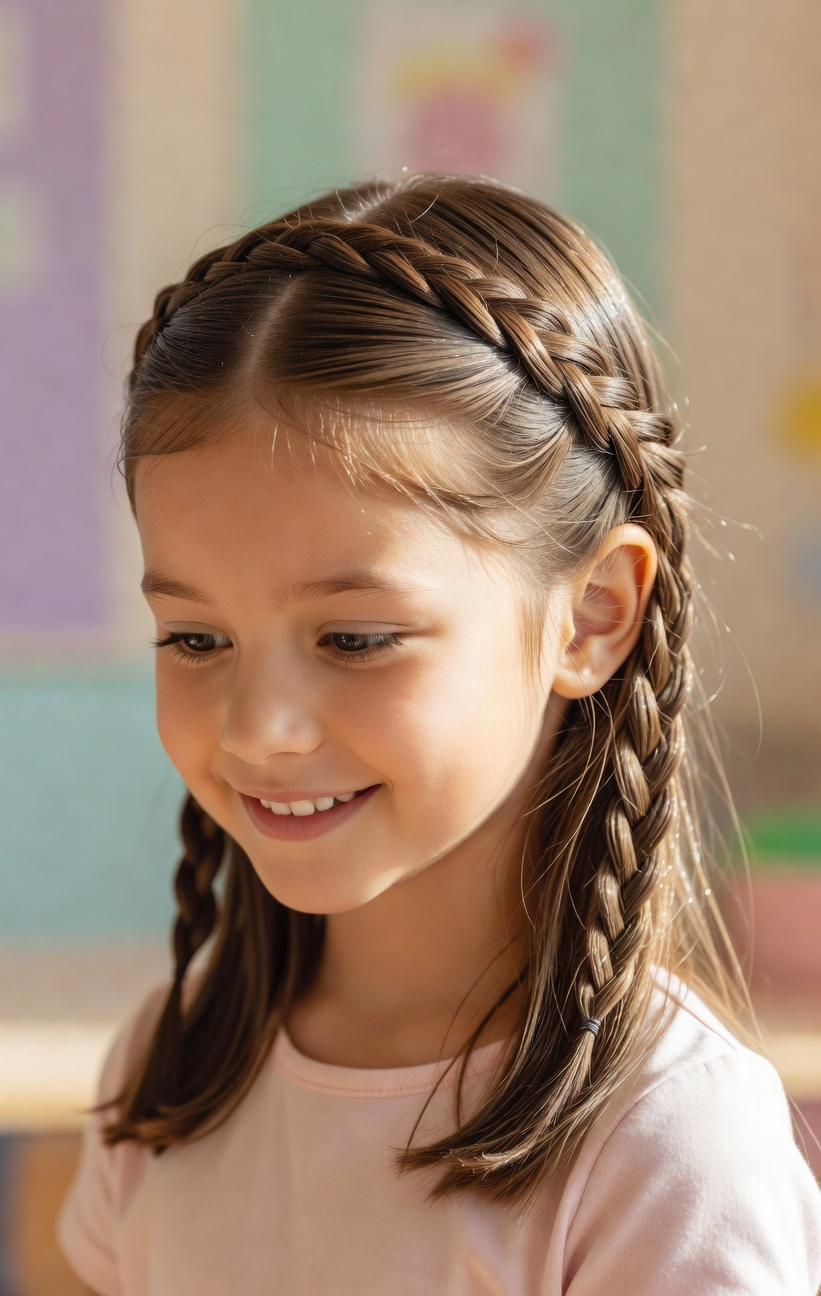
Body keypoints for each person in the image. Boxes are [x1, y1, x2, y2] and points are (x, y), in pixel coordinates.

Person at [57, 173, 821, 1295]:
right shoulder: (170, 1074)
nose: (259, 731)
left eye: (356, 640)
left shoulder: (669, 1144)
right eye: (196, 640)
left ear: (593, 615)